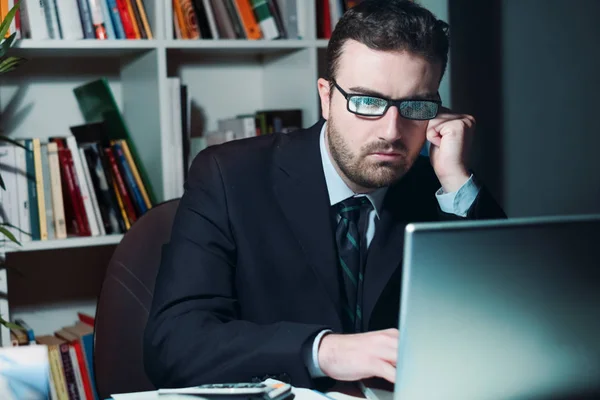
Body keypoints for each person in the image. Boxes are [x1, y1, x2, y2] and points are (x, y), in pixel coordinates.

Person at [143, 0, 506, 391]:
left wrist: (455, 180)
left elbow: (511, 319)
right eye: (367, 101)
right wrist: (323, 350)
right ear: (326, 98)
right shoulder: (228, 176)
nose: (390, 131)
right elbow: (174, 344)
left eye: (415, 106)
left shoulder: (437, 188)